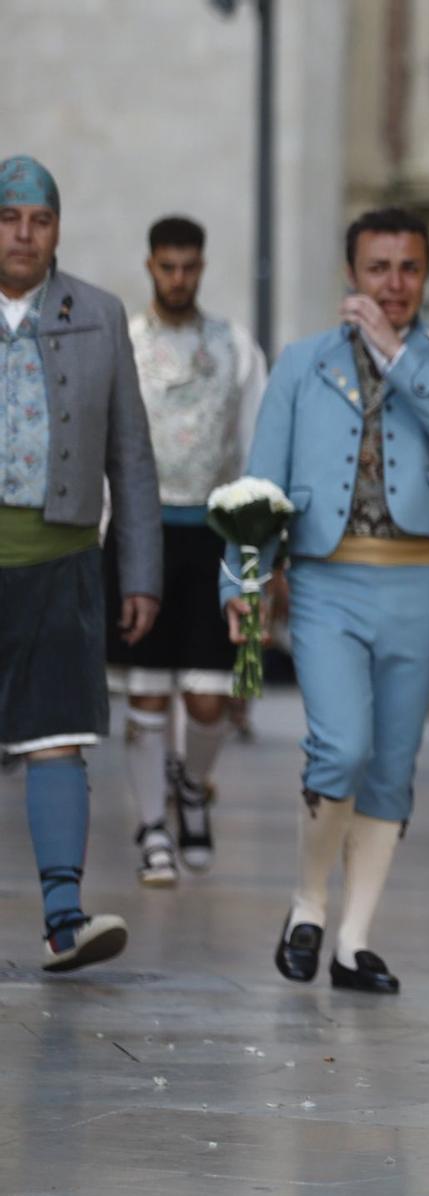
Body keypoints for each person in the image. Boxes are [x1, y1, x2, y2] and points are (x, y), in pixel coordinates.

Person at [224, 207, 429, 995]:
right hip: (326, 577)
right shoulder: (301, 364)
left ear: (425, 275)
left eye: (408, 268)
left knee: (395, 765)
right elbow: (261, 484)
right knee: (340, 745)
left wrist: (395, 353)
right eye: (378, 268)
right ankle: (307, 905)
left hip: (413, 578)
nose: (393, 284)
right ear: (351, 274)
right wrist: (241, 581)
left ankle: (353, 940)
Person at [0, 155, 160, 971]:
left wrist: (140, 572)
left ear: (57, 228)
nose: (24, 234)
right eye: (9, 217)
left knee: (57, 735)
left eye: (40, 219)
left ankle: (64, 919)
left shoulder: (98, 313)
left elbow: (131, 458)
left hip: (64, 561)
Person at [110, 214, 267, 887]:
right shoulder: (125, 343)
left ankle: (194, 784)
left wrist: (259, 559)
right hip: (137, 528)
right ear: (150, 265)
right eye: (168, 266)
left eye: (190, 267)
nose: (179, 278)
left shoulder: (234, 346)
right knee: (146, 691)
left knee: (210, 696)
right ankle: (151, 827)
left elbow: (258, 449)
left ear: (202, 266)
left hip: (215, 531)